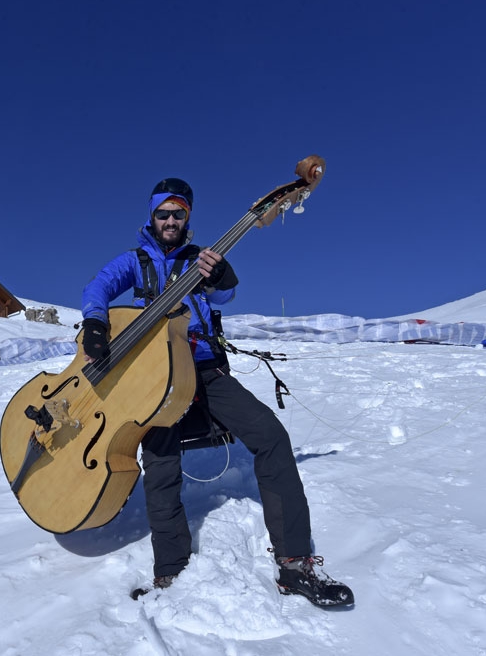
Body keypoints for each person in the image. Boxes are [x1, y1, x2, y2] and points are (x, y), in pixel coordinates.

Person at [80, 177, 353, 607]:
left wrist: (222, 273)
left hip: (205, 369)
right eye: (163, 213)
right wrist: (95, 321)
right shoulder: (133, 262)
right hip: (155, 378)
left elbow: (224, 293)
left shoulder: (201, 259)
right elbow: (98, 286)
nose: (170, 220)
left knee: (272, 437)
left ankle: (295, 564)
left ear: (188, 217)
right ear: (151, 217)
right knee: (161, 461)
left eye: (179, 213)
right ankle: (170, 571)